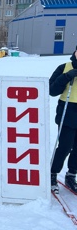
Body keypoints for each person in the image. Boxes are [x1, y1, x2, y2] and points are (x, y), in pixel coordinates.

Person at [49, 46, 77, 193]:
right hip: (68, 113)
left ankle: (71, 175)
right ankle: (52, 173)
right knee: (65, 147)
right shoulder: (64, 67)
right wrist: (66, 76)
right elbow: (52, 90)